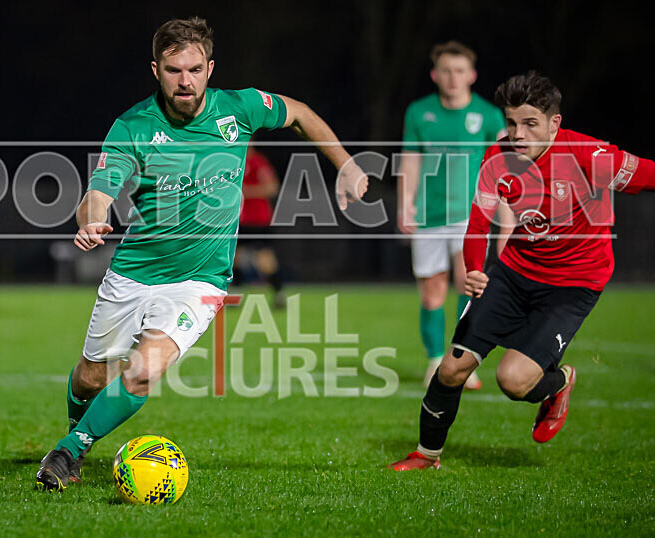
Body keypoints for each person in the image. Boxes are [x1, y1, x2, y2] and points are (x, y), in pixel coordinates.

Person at [35, 17, 368, 490]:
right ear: (156, 69)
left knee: (144, 370)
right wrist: (91, 218)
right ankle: (79, 434)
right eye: (173, 70)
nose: (185, 81)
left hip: (199, 281)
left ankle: (70, 452)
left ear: (210, 67)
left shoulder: (241, 109)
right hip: (133, 273)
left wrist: (346, 164)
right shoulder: (134, 126)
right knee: (90, 378)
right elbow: (99, 190)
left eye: (194, 69)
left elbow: (298, 113)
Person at [390, 71, 655, 471]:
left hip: (573, 285)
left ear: (554, 123)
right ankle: (427, 456)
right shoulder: (498, 157)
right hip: (513, 273)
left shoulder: (592, 157)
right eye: (512, 122)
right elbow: (478, 222)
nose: (517, 133)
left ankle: (559, 382)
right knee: (451, 367)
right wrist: (476, 269)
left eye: (530, 123)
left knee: (513, 381)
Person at [397, 41, 511, 390]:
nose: (453, 77)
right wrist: (405, 203)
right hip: (430, 216)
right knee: (431, 293)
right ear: (435, 74)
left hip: (471, 216)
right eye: (446, 70)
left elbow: (504, 167)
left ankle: (461, 359)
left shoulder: (490, 116)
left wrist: (506, 216)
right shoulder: (419, 112)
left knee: (469, 285)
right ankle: (434, 362)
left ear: (472, 75)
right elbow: (411, 160)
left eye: (460, 70)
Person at [233, 146, 285, 308]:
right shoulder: (232, 161)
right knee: (234, 258)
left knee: (264, 259)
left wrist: (245, 191)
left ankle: (279, 293)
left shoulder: (257, 162)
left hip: (257, 219)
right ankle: (235, 295)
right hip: (238, 219)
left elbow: (271, 187)